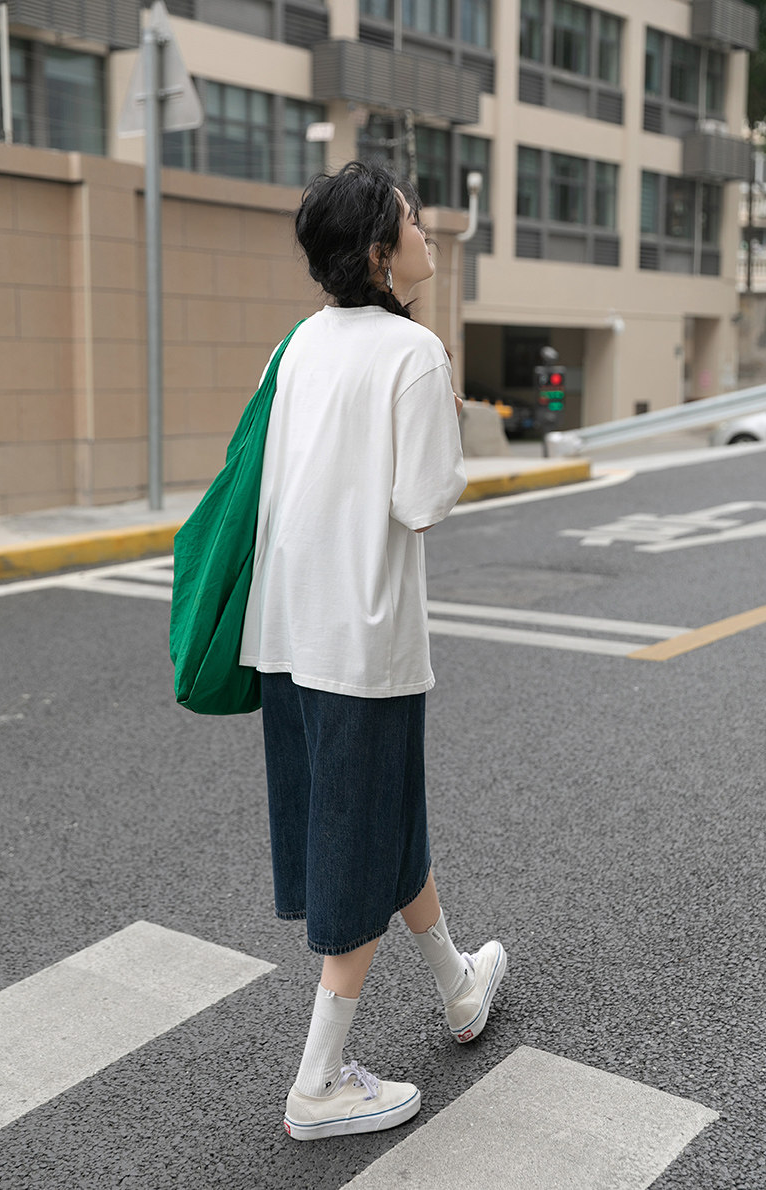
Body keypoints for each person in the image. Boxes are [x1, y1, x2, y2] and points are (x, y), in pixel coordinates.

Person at [239, 160, 506, 1141]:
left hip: (285, 633)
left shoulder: (295, 345)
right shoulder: (414, 353)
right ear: (380, 253)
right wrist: (448, 427)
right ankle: (317, 1082)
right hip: (363, 641)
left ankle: (458, 984)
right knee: (356, 845)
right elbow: (421, 501)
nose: (427, 232)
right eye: (412, 221)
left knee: (381, 818)